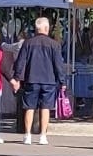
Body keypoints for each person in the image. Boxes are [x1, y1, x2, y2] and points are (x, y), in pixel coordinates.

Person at [11, 16, 66, 146]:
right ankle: (43, 135)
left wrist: (17, 77)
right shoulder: (54, 45)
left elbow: (20, 62)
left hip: (32, 79)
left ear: (36, 29)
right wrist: (62, 81)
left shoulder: (28, 43)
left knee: (29, 107)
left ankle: (28, 135)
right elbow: (58, 65)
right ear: (47, 28)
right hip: (49, 80)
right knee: (45, 108)